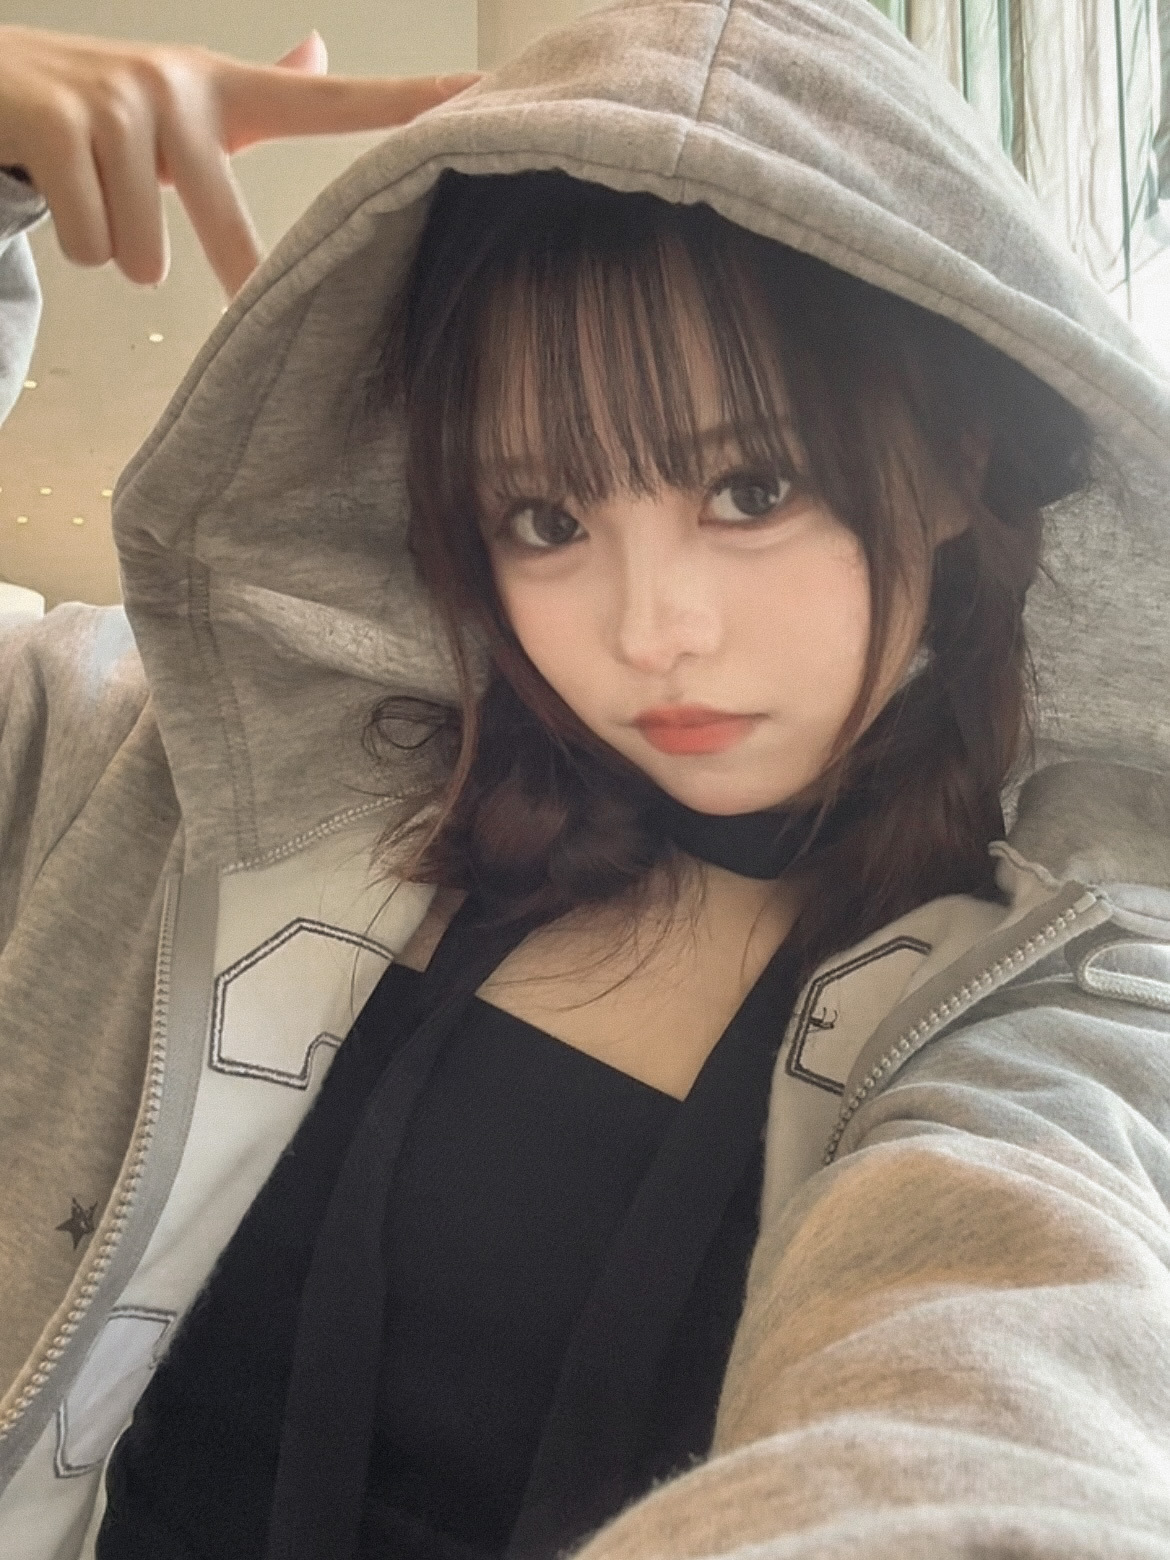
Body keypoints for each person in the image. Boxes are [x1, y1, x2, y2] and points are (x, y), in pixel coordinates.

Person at [0, 2, 1168, 1556]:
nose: (647, 632)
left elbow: (1007, 1389)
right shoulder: (155, 778)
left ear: (960, 458)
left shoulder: (1071, 1002)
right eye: (544, 519)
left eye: (750, 486)